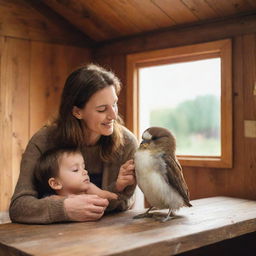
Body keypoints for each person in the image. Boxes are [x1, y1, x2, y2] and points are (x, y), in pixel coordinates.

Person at [9, 64, 138, 224]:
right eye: (102, 109)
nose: (113, 115)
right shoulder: (43, 141)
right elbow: (19, 207)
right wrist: (64, 208)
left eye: (115, 104)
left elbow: (125, 201)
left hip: (108, 237)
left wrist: (112, 192)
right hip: (50, 240)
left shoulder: (128, 143)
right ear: (77, 112)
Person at [34, 147, 118, 200]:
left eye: (84, 167)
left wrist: (119, 185)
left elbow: (109, 196)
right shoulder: (53, 200)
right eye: (75, 169)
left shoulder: (89, 188)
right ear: (55, 183)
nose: (85, 172)